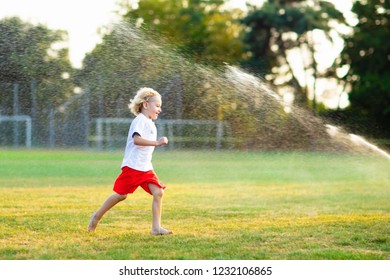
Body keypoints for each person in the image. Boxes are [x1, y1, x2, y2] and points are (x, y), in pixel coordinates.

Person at [88, 87, 173, 235]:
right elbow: (137, 140)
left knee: (158, 192)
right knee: (121, 195)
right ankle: (96, 216)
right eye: (157, 106)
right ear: (146, 105)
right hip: (133, 166)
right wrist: (157, 143)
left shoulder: (150, 123)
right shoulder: (139, 120)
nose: (160, 109)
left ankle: (156, 228)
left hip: (146, 168)